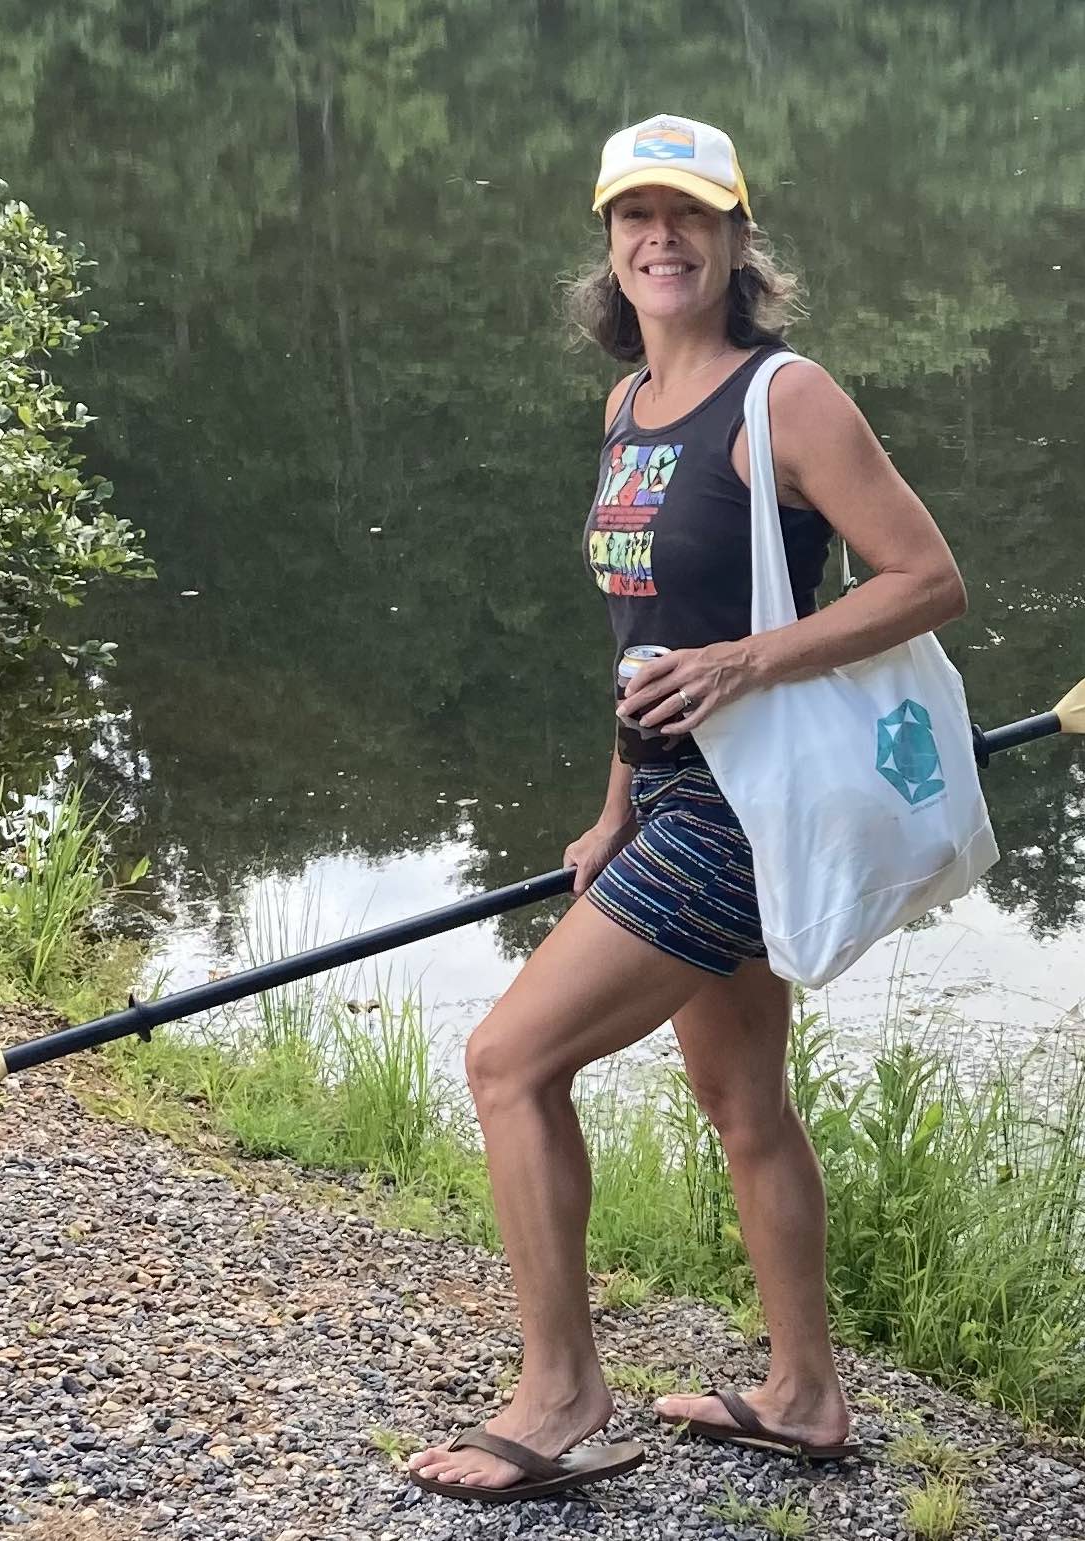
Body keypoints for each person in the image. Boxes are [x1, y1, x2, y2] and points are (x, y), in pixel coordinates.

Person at [406, 112, 968, 1503]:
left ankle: (561, 1396)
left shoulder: (786, 398)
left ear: (734, 238)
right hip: (668, 797)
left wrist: (751, 659)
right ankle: (802, 1393)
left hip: (743, 808)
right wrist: (611, 808)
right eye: (634, 218)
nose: (662, 240)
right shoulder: (622, 412)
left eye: (690, 218)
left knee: (508, 1061)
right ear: (607, 245)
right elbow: (641, 641)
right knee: (742, 1102)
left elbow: (925, 578)